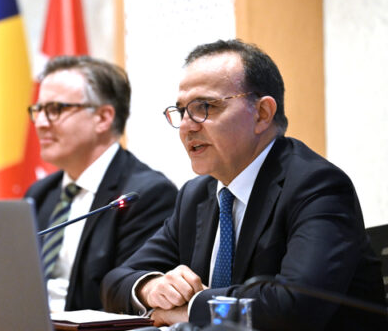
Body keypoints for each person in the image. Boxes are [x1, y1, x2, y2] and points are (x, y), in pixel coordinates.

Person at [101, 40, 387, 330]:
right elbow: (115, 281)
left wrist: (194, 308)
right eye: (182, 110)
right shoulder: (196, 195)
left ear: (262, 113)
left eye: (204, 107)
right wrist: (151, 286)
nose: (186, 126)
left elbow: (294, 306)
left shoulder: (316, 187)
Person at [25, 56, 177, 312]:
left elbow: (124, 298)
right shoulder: (41, 193)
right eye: (38, 110)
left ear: (103, 117)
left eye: (56, 109)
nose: (40, 123)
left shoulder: (146, 195)